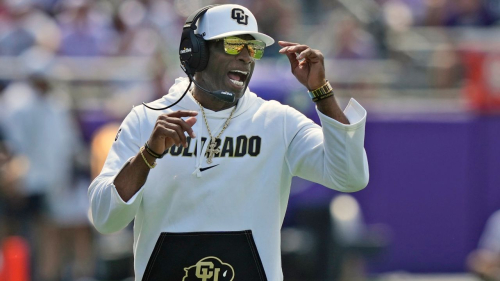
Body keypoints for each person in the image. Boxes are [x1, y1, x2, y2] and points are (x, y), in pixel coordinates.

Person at [88, 4, 369, 281]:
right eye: (235, 45)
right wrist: (147, 155)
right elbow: (105, 218)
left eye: (254, 49)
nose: (247, 57)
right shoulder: (146, 119)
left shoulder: (277, 121)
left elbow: (350, 176)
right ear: (196, 53)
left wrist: (321, 92)